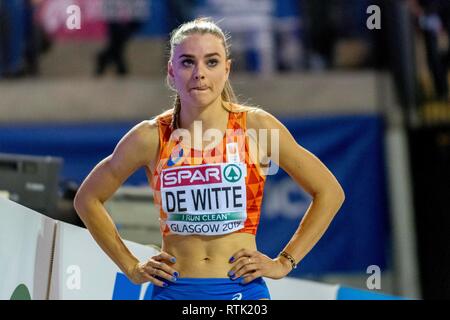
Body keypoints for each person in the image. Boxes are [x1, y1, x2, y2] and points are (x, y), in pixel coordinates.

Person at [74, 17, 345, 300]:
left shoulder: (257, 128)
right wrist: (130, 266)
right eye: (188, 62)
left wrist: (285, 262)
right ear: (171, 71)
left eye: (211, 62)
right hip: (172, 291)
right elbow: (86, 199)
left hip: (241, 291)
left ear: (227, 69)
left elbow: (329, 192)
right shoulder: (150, 137)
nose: (199, 73)